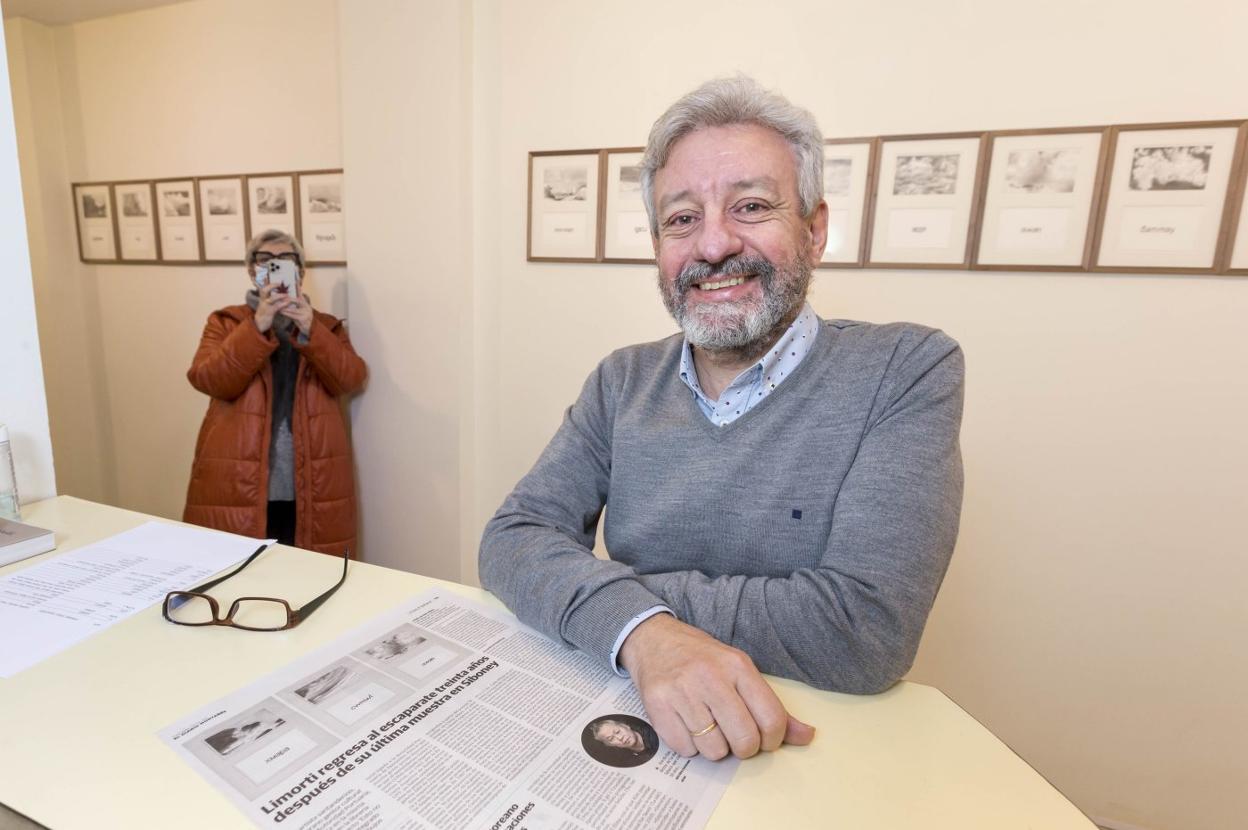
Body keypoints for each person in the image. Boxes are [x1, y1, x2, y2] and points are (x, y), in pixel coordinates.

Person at [479, 76, 965, 762]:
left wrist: (622, 606)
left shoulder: (906, 369)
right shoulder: (622, 380)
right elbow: (512, 539)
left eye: (751, 206)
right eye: (681, 219)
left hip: (810, 747)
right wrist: (646, 637)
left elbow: (865, 630)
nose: (712, 246)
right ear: (656, 246)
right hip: (633, 721)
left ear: (815, 228)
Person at [184, 229, 367, 555]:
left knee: (307, 579)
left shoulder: (326, 325)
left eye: (285, 260)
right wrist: (257, 326)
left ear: (300, 271)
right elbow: (209, 379)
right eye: (266, 261)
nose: (275, 266)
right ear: (253, 271)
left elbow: (350, 379)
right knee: (236, 578)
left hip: (312, 482)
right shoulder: (225, 322)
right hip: (239, 481)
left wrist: (313, 330)